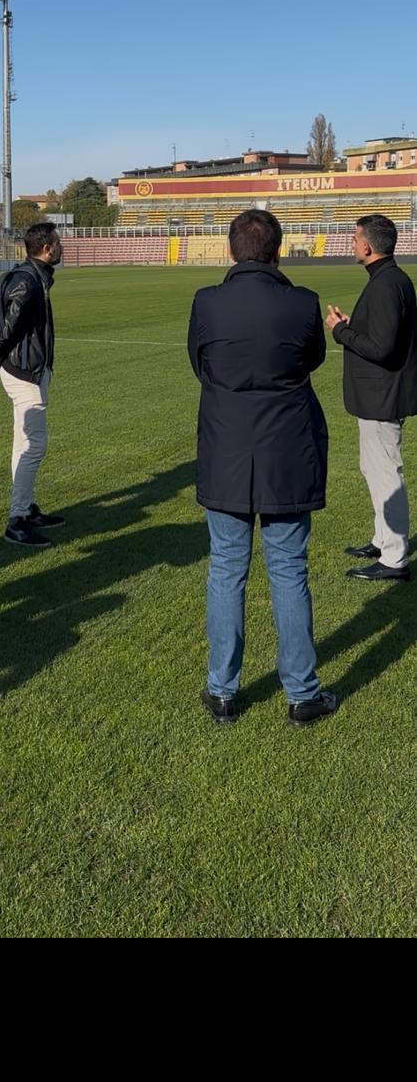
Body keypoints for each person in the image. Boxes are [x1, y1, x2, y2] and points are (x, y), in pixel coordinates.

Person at [188, 209, 336, 727]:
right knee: (288, 573)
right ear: (277, 250)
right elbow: (312, 358)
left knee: (227, 571)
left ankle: (222, 690)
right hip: (286, 454)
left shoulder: (209, 302)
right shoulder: (302, 304)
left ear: (231, 251)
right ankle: (300, 694)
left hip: (228, 452)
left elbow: (200, 363)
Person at [325, 213, 417, 582]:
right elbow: (384, 336)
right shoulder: (391, 280)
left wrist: (340, 332)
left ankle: (394, 559)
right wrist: (352, 327)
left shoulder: (386, 284)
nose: (351, 243)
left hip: (383, 396)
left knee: (384, 473)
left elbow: (381, 348)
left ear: (367, 245)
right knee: (374, 469)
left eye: (354, 238)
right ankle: (383, 541)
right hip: (380, 395)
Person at [0, 221, 65, 546]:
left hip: (22, 367)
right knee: (34, 444)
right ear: (46, 248)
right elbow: (10, 327)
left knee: (23, 441)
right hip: (24, 370)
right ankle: (17, 519)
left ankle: (25, 508)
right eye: (57, 243)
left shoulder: (31, 276)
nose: (61, 248)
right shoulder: (28, 282)